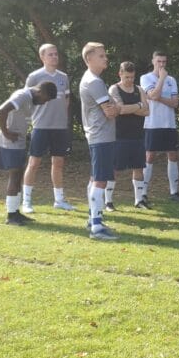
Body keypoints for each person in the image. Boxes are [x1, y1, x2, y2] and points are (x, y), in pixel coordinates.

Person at [22, 43, 74, 213]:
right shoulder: (34, 77)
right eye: (50, 54)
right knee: (34, 162)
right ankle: (26, 201)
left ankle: (59, 200)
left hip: (59, 128)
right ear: (42, 57)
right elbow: (26, 101)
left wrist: (62, 119)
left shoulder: (63, 77)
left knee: (58, 163)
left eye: (56, 54)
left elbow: (66, 99)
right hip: (41, 126)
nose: (54, 57)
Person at [0, 81, 58, 225]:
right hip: (10, 143)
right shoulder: (22, 96)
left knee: (18, 177)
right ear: (39, 92)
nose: (44, 103)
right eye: (45, 99)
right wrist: (6, 132)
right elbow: (2, 110)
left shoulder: (30, 97)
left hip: (18, 142)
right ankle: (11, 216)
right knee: (15, 176)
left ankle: (15, 212)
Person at [79, 42, 120, 240]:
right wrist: (120, 106)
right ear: (89, 59)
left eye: (105, 55)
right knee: (101, 179)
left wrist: (115, 106)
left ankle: (92, 218)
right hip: (100, 135)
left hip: (100, 135)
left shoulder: (95, 80)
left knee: (96, 177)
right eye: (101, 56)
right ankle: (96, 226)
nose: (106, 58)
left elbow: (111, 108)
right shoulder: (94, 81)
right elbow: (110, 111)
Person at [140, 50, 179, 203]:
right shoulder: (146, 78)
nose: (161, 65)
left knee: (173, 155)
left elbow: (174, 103)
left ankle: (174, 191)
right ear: (153, 61)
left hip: (169, 123)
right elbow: (151, 95)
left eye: (164, 62)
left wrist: (158, 97)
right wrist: (161, 79)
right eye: (159, 61)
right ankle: (143, 192)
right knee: (149, 156)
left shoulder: (171, 80)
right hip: (152, 123)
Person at [106, 62, 150, 211]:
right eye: (126, 77)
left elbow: (147, 111)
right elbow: (120, 109)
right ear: (120, 74)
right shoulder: (114, 88)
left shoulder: (139, 89)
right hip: (119, 135)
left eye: (132, 77)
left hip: (137, 135)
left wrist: (132, 107)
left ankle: (139, 200)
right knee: (115, 169)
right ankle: (108, 202)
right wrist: (138, 105)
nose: (129, 80)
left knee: (138, 168)